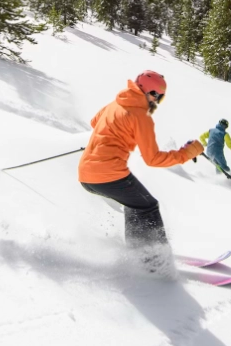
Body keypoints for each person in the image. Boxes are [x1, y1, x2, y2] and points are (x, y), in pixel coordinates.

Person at [78, 70, 204, 272]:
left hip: (86, 174)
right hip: (108, 174)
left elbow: (95, 123)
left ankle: (139, 251)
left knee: (135, 204)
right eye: (156, 95)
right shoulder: (141, 116)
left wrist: (112, 136)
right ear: (147, 92)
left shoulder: (116, 103)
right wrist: (186, 153)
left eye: (160, 98)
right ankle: (156, 261)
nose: (156, 101)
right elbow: (153, 159)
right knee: (148, 206)